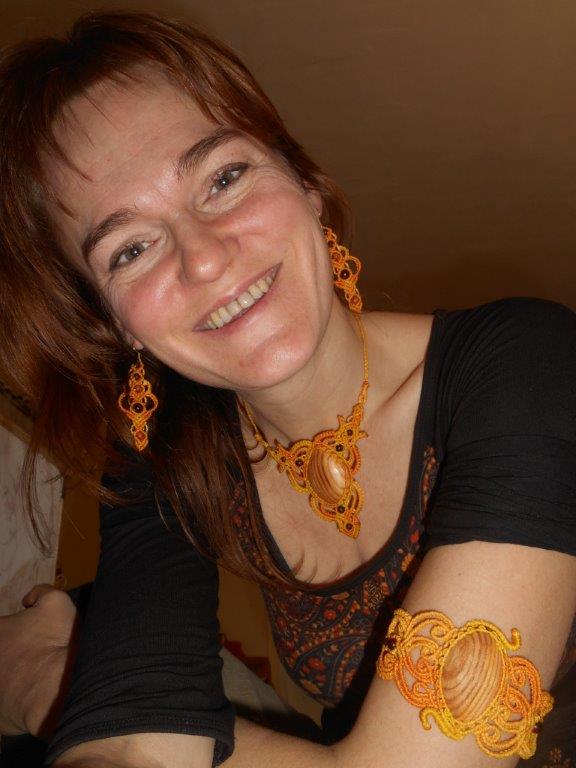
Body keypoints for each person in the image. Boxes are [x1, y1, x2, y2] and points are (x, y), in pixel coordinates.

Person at [0, 10, 575, 768]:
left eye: (223, 178)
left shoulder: (527, 363)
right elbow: (135, 742)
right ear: (116, 323)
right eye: (130, 248)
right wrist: (107, 709)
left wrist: (52, 684)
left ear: (305, 185)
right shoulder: (163, 468)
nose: (204, 258)